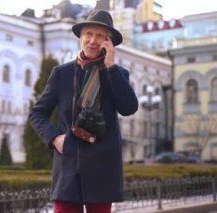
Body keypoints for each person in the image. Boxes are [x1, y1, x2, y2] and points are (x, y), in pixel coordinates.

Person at [29, 10, 138, 213]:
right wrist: (54, 138)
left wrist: (111, 67)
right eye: (89, 34)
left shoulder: (117, 74)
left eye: (100, 36)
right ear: (81, 37)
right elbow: (37, 114)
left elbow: (129, 107)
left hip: (103, 168)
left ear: (109, 43)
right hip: (69, 166)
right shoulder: (62, 74)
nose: (93, 41)